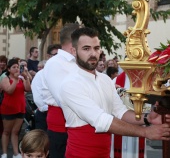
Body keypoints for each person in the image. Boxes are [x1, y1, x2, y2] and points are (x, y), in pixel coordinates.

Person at [58, 27, 170, 158]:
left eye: (96, 48)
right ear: (74, 51)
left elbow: (120, 112)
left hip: (105, 153)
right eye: (86, 49)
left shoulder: (105, 79)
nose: (93, 54)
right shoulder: (70, 84)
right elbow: (101, 121)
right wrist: (145, 132)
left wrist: (147, 118)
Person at [43, 23, 80, 158]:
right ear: (74, 41)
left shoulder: (76, 62)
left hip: (75, 124)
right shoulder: (55, 63)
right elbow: (62, 98)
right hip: (60, 125)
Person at [0, 59, 31, 158]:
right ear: (9, 69)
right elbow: (9, 91)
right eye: (14, 67)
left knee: (16, 131)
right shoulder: (5, 79)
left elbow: (28, 89)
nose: (16, 69)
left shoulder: (21, 78)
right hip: (8, 109)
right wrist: (16, 80)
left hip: (20, 108)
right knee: (6, 131)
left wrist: (26, 78)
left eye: (17, 67)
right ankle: (4, 153)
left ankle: (16, 153)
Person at [31, 44, 61, 132]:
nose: (58, 58)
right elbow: (38, 100)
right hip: (45, 115)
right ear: (48, 56)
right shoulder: (40, 75)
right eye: (55, 55)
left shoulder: (64, 74)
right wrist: (54, 108)